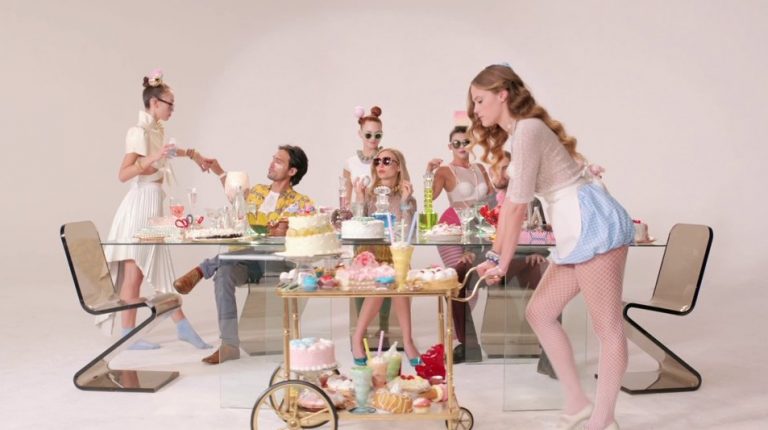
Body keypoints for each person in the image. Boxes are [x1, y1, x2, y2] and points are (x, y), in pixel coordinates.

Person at [470, 64, 633, 430]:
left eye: (480, 100)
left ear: (502, 95)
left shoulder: (528, 129)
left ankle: (603, 420)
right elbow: (511, 207)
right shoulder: (519, 135)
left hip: (592, 222)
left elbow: (517, 206)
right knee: (541, 312)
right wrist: (496, 257)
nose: (476, 110)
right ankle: (577, 402)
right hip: (574, 227)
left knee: (607, 328)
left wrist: (500, 262)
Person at [173, 145, 313, 364]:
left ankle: (203, 268)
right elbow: (235, 196)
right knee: (223, 274)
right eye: (273, 158)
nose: (271, 163)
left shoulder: (301, 203)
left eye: (279, 161)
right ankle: (229, 345)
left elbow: (304, 234)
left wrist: (286, 230)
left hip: (276, 262)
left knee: (239, 255)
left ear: (292, 171)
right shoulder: (257, 191)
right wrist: (220, 171)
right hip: (247, 262)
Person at [103, 69, 212, 350]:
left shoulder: (157, 130)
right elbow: (124, 173)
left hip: (152, 203)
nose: (172, 109)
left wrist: (195, 155)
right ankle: (178, 325)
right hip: (140, 204)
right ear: (154, 103)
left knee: (137, 273)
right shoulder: (138, 132)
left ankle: (134, 334)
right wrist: (153, 157)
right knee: (140, 271)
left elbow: (170, 152)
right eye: (169, 104)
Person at [424, 124, 494, 363]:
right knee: (458, 283)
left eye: (466, 142)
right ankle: (453, 341)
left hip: (479, 230)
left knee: (472, 286)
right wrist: (429, 173)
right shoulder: (446, 170)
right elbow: (429, 198)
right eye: (457, 143)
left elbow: (494, 198)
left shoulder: (480, 168)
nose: (462, 146)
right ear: (450, 146)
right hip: (453, 228)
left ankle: (457, 340)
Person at [350, 148, 422, 366]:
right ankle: (358, 337)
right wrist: (359, 198)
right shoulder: (370, 195)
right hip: (371, 255)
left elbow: (408, 231)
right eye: (377, 161)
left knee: (398, 275)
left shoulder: (407, 197)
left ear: (398, 166)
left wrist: (405, 202)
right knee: (385, 279)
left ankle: (407, 340)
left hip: (395, 254)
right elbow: (358, 227)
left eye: (387, 161)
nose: (380, 165)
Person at [344, 106, 392, 347]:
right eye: (369, 135)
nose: (373, 139)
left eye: (378, 135)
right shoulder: (351, 163)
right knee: (360, 274)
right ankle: (360, 330)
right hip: (360, 222)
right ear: (360, 134)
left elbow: (395, 188)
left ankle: (385, 328)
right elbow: (345, 198)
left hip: (384, 222)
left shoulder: (386, 158)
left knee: (385, 273)